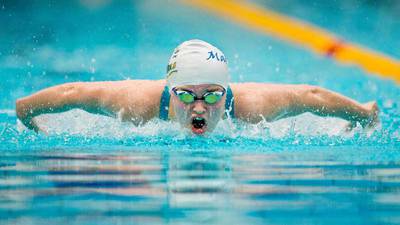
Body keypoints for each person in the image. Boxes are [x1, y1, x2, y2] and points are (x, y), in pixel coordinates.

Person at [16, 39, 379, 135]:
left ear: (227, 91)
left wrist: (362, 114)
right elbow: (73, 93)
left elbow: (309, 96)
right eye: (187, 95)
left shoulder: (251, 107)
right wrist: (26, 111)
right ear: (170, 91)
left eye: (213, 94)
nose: (200, 107)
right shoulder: (141, 103)